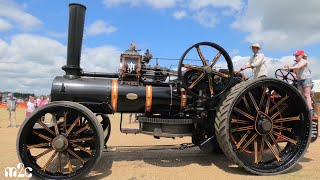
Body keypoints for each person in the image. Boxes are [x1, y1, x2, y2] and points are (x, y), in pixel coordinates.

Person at [283, 50, 313, 115]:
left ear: (301, 55)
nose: (296, 56)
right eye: (295, 55)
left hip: (306, 79)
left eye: (297, 55)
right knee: (300, 95)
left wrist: (289, 67)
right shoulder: (294, 64)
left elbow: (298, 66)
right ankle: (303, 109)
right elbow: (294, 73)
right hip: (299, 80)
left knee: (306, 95)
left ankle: (310, 110)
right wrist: (288, 70)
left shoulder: (304, 61)